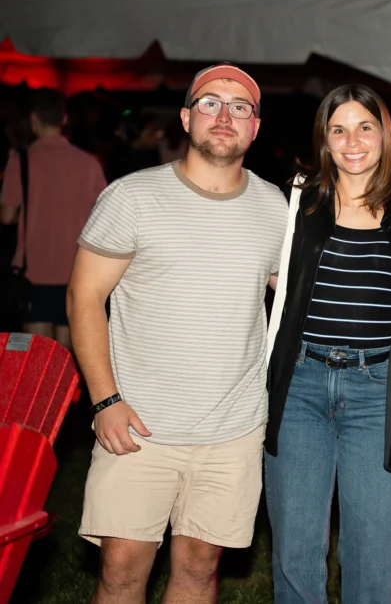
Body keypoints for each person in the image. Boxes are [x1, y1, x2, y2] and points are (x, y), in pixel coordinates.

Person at [66, 63, 288, 603]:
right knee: (120, 569)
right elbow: (83, 297)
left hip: (233, 429)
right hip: (139, 425)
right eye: (211, 102)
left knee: (197, 569)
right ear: (187, 117)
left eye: (241, 107)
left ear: (255, 128)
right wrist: (104, 400)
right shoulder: (132, 197)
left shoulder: (276, 208)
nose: (225, 116)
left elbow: (299, 299)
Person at [263, 85, 391, 603]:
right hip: (300, 386)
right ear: (324, 139)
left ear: (385, 134)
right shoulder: (299, 204)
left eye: (364, 127)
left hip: (375, 391)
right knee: (295, 546)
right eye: (338, 129)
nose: (352, 141)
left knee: (377, 547)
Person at [0, 88, 107, 349]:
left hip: (33, 273)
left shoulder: (20, 160)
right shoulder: (89, 163)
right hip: (76, 271)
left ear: (34, 119)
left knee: (36, 359)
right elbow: (106, 216)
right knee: (65, 361)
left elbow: (6, 216)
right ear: (64, 120)